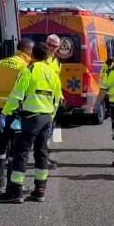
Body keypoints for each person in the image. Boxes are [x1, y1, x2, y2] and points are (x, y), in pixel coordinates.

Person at [0, 42, 62, 203]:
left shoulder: (29, 70)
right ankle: (40, 190)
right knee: (41, 153)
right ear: (47, 56)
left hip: (31, 117)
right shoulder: (53, 74)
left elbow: (16, 95)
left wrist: (4, 114)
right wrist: (51, 117)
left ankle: (15, 192)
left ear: (32, 55)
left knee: (21, 152)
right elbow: (57, 99)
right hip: (47, 118)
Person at [0, 37, 34, 192]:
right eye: (32, 50)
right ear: (27, 50)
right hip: (15, 112)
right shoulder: (26, 66)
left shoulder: (0, 63)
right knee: (15, 149)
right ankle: (11, 184)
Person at [44, 34, 62, 169]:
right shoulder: (38, 57)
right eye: (49, 44)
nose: (51, 48)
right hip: (38, 99)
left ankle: (44, 157)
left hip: (51, 102)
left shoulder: (57, 61)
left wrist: (60, 94)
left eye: (54, 46)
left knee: (48, 131)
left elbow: (56, 80)